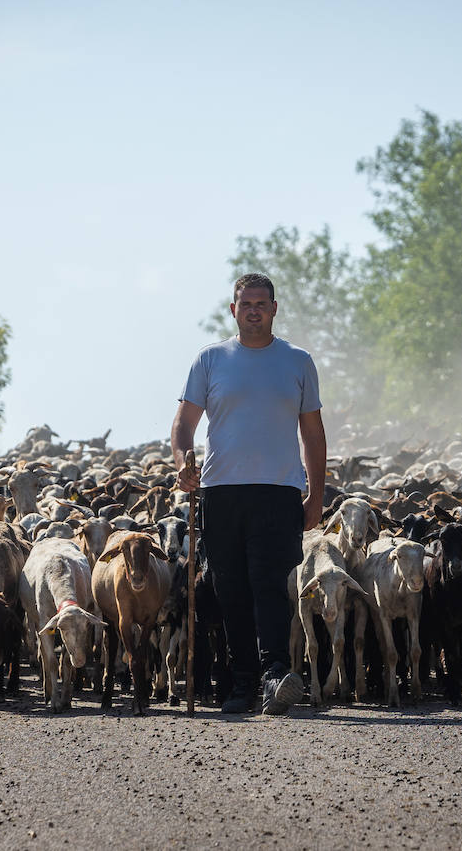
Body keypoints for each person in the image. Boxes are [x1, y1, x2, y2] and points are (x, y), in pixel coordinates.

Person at [171, 273, 326, 714]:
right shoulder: (210, 360)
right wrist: (183, 462)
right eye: (246, 303)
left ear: (274, 309)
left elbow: (313, 435)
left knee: (270, 584)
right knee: (230, 588)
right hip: (221, 491)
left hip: (278, 492)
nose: (254, 310)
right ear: (233, 309)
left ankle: (275, 674)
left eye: (262, 303)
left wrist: (316, 495)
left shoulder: (297, 362)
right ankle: (241, 684)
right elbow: (184, 425)